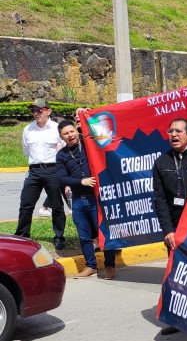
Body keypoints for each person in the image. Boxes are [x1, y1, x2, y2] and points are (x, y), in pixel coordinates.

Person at [152, 118, 187, 335]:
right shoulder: (161, 162)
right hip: (176, 229)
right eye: (170, 130)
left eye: (178, 131)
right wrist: (168, 230)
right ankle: (178, 318)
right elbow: (159, 200)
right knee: (178, 274)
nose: (173, 135)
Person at [55, 121, 117, 279]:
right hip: (78, 201)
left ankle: (110, 266)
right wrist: (80, 182)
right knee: (84, 236)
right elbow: (61, 178)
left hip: (96, 199)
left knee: (104, 233)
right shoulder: (61, 155)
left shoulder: (89, 144)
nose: (70, 135)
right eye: (66, 134)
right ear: (61, 137)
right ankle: (91, 266)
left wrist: (89, 118)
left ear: (76, 130)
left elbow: (105, 136)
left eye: (72, 131)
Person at [15, 99, 66, 250]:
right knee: (26, 204)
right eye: (33, 111)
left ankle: (59, 236)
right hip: (34, 171)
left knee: (57, 205)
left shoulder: (56, 128)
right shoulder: (28, 129)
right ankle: (22, 236)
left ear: (48, 111)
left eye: (39, 110)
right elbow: (26, 150)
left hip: (53, 169)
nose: (35, 114)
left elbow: (63, 150)